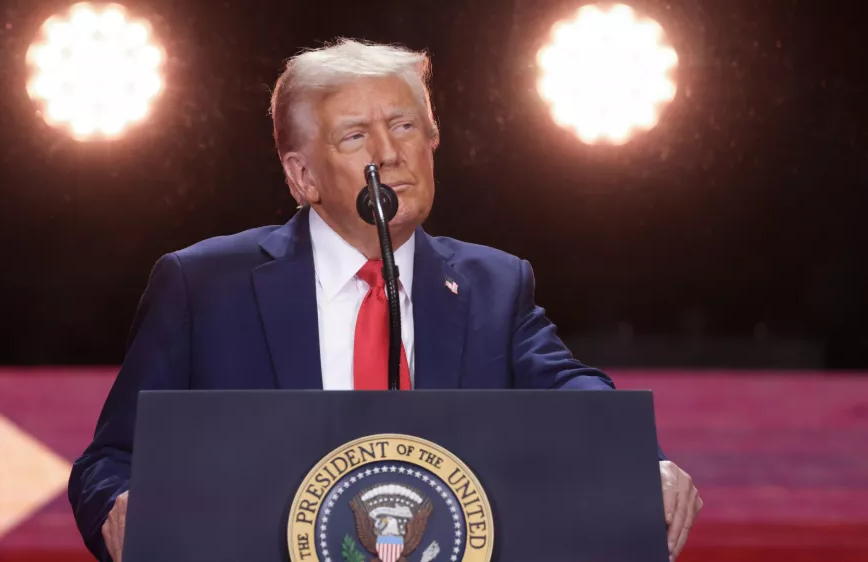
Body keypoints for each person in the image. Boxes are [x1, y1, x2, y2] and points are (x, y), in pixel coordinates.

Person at [68, 38, 703, 562]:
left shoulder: (494, 284)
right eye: (354, 137)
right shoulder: (203, 285)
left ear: (432, 142)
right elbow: (111, 460)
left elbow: (571, 393)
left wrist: (643, 463)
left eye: (404, 126)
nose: (389, 153)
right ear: (302, 176)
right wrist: (120, 507)